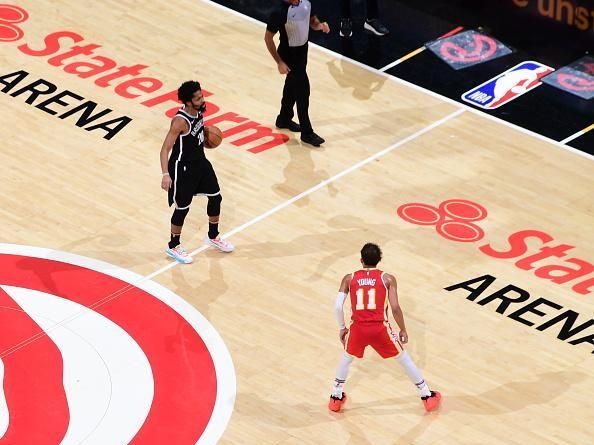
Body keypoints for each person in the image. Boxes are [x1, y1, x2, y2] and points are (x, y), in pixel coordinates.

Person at [328, 243, 441, 412]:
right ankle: (426, 395)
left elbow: (337, 307)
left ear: (361, 259)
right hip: (380, 327)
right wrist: (403, 329)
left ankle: (336, 398)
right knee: (403, 358)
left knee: (347, 358)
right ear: (379, 260)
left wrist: (342, 327)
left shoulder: (349, 278)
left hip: (358, 327)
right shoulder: (387, 278)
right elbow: (395, 308)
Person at [159, 80, 234, 264]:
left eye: (202, 95)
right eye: (198, 98)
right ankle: (173, 245)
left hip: (200, 163)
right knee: (182, 208)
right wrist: (165, 174)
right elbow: (165, 149)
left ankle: (212, 236)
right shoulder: (179, 121)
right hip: (183, 168)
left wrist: (205, 134)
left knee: (216, 197)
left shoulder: (199, 111)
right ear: (188, 101)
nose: (202, 99)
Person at [265, 0, 329, 147]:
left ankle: (284, 118)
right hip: (288, 54)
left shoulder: (306, 2)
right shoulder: (279, 12)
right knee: (303, 90)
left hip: (302, 51)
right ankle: (307, 133)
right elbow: (268, 38)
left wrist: (319, 25)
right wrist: (279, 62)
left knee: (292, 85)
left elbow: (312, 20)